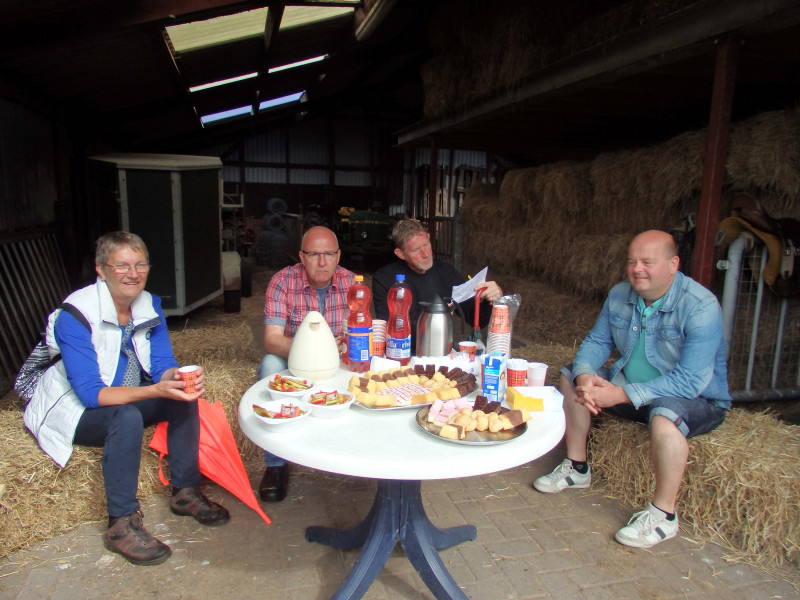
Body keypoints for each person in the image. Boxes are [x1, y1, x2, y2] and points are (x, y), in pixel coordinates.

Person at [22, 231, 229, 566]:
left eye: (140, 264)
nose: (133, 273)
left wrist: (175, 379)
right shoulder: (74, 315)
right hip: (75, 409)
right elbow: (91, 394)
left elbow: (161, 364)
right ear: (101, 270)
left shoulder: (149, 305)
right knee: (126, 417)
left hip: (123, 395)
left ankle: (186, 492)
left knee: (183, 398)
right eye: (122, 266)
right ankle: (121, 524)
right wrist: (154, 390)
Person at [533, 230, 731, 548]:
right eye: (632, 261)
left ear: (672, 264)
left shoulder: (700, 306)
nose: (637, 269)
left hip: (694, 400)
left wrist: (620, 394)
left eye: (647, 262)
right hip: (632, 390)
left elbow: (690, 381)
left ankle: (663, 516)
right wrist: (585, 378)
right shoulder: (620, 294)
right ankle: (576, 467)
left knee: (665, 414)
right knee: (570, 376)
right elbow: (597, 342)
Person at [258, 225, 354, 502]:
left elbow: (359, 335)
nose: (322, 262)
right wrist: (312, 350)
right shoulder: (282, 281)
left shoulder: (351, 283)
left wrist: (339, 349)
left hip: (339, 358)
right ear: (301, 256)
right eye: (314, 254)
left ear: (338, 255)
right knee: (269, 366)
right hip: (293, 361)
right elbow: (273, 339)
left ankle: (349, 451)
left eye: (328, 254)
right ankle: (275, 465)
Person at [372, 219, 503, 348]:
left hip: (441, 352)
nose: (425, 254)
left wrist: (490, 299)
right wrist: (436, 315)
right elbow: (390, 329)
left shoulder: (448, 273)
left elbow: (477, 320)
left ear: (429, 238)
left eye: (426, 244)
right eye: (416, 250)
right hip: (403, 352)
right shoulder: (384, 279)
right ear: (400, 254)